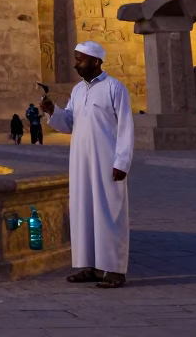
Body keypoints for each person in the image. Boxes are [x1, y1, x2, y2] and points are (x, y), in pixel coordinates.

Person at [40, 41, 134, 290]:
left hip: (107, 161)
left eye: (80, 59)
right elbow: (69, 122)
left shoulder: (114, 87)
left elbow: (125, 127)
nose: (76, 64)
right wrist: (53, 112)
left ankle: (114, 270)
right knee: (84, 212)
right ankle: (90, 266)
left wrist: (122, 161)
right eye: (76, 58)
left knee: (108, 213)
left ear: (96, 61)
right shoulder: (78, 90)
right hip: (80, 161)